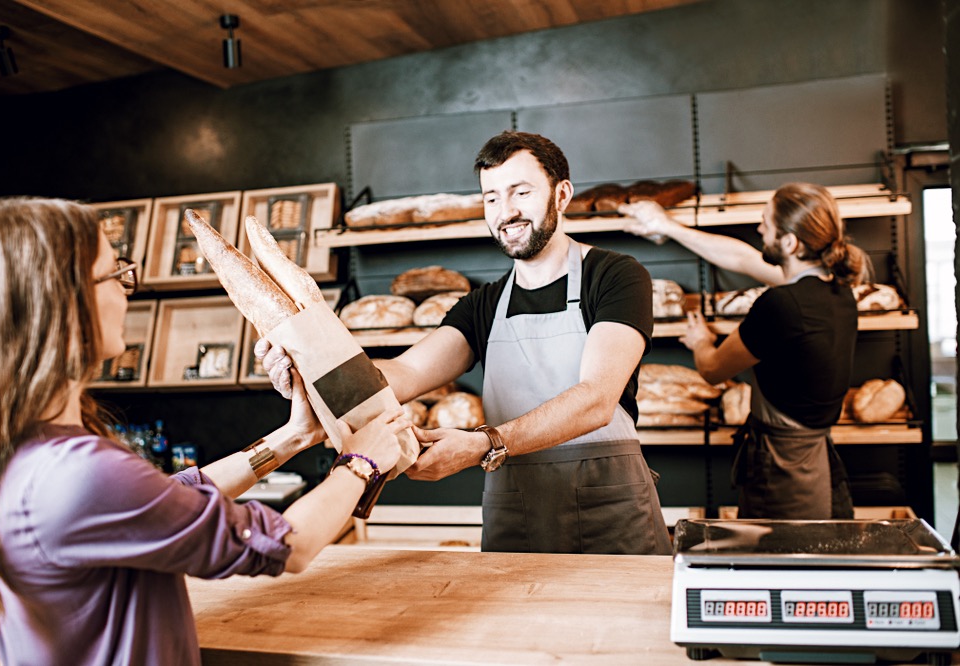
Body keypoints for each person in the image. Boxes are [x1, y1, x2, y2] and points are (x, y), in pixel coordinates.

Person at [0, 197, 410, 665]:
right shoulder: (77, 473)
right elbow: (286, 545)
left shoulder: (21, 448)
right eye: (115, 274)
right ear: (64, 300)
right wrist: (361, 461)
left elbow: (159, 500)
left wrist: (292, 436)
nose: (126, 290)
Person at [260, 130, 672, 555]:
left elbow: (597, 398)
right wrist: (310, 367)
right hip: (518, 511)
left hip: (610, 507)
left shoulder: (616, 276)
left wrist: (484, 443)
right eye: (491, 198)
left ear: (562, 194)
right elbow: (406, 373)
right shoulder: (483, 305)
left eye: (521, 192)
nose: (506, 212)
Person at [621, 183, 868, 519]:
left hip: (782, 467)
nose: (759, 228)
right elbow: (744, 258)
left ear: (791, 243)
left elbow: (711, 370)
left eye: (766, 222)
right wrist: (667, 226)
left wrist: (701, 340)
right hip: (819, 460)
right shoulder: (840, 293)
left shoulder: (780, 305)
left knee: (775, 560)